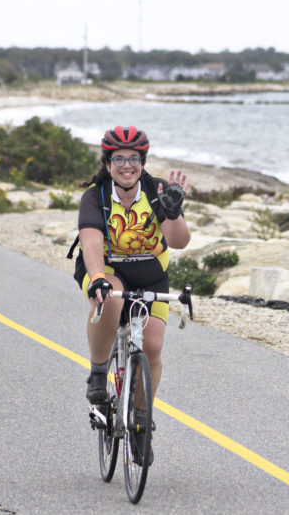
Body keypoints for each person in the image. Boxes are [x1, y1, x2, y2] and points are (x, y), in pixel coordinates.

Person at [71, 125, 190, 464]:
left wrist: (174, 211)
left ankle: (140, 422)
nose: (127, 165)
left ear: (143, 161)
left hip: (151, 273)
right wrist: (97, 278)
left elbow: (179, 241)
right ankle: (97, 374)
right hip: (106, 269)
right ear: (107, 163)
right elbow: (91, 241)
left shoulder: (157, 190)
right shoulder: (95, 196)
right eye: (119, 159)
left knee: (151, 346)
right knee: (113, 297)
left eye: (134, 159)